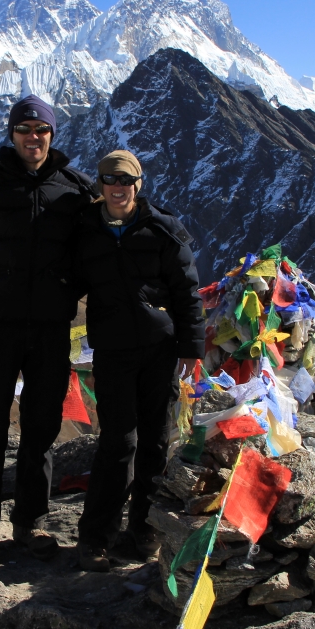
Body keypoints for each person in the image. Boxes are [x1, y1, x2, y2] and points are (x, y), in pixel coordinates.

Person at [0, 94, 95, 570]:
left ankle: (32, 523)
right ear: (12, 133)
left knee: (42, 428)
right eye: (26, 129)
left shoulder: (74, 191)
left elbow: (100, 251)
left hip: (51, 329)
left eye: (43, 130)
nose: (35, 138)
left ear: (53, 135)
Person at [72, 149, 203, 572]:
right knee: (117, 443)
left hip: (159, 352)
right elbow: (63, 283)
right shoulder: (85, 229)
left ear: (138, 185)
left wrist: (192, 349)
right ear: (101, 184)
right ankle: (95, 539)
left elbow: (187, 292)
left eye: (126, 181)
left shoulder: (164, 231)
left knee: (154, 443)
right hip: (111, 352)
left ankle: (144, 534)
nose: (118, 188)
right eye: (110, 180)